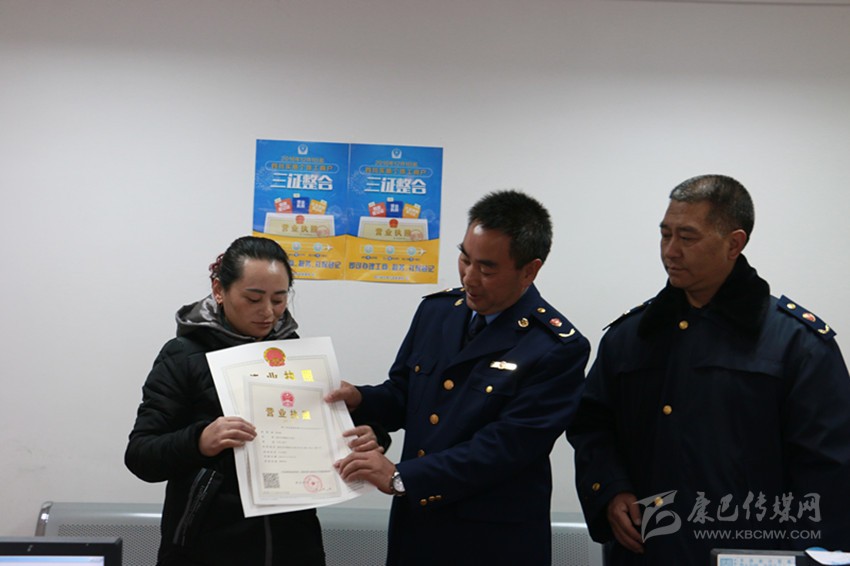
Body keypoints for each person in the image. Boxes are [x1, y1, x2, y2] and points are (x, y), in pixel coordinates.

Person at [567, 175, 850, 564]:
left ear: (734, 243)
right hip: (648, 550)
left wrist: (803, 558)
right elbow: (591, 425)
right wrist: (611, 489)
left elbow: (830, 472)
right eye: (665, 235)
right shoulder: (631, 336)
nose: (670, 251)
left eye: (687, 237)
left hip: (751, 553)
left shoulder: (797, 345)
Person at [327, 190, 590, 565]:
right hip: (417, 530)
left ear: (529, 271)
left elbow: (504, 447)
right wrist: (360, 398)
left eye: (487, 269)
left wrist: (402, 476)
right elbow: (405, 394)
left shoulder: (555, 347)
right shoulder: (438, 312)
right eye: (465, 258)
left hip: (492, 542)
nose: (469, 277)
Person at [125, 236, 384, 566]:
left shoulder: (296, 354)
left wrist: (368, 435)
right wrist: (200, 441)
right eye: (253, 298)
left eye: (279, 299)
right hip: (205, 549)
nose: (268, 312)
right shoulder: (183, 356)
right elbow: (141, 455)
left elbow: (325, 428)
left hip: (295, 545)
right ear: (219, 290)